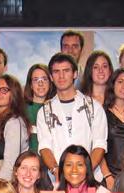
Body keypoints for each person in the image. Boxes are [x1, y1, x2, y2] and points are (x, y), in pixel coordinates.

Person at [37, 53, 107, 186]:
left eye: (66, 71)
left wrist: (85, 172)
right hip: (58, 182)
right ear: (51, 77)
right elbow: (45, 146)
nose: (61, 76)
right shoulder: (45, 111)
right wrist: (56, 170)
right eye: (56, 72)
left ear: (75, 74)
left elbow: (100, 144)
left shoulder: (94, 107)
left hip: (90, 180)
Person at [23, 63, 56, 154]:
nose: (40, 83)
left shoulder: (56, 107)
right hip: (27, 158)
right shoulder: (21, 108)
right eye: (35, 80)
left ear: (50, 82)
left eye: (44, 79)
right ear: (30, 84)